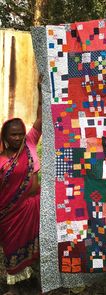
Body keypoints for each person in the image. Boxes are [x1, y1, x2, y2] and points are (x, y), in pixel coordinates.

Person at [0, 77, 42, 295]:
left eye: (20, 133)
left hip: (35, 205)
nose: (17, 137)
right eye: (13, 134)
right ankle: (12, 286)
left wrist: (41, 89)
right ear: (5, 137)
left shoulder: (31, 142)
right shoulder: (1, 160)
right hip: (10, 212)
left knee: (37, 243)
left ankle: (31, 276)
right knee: (11, 246)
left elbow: (41, 118)